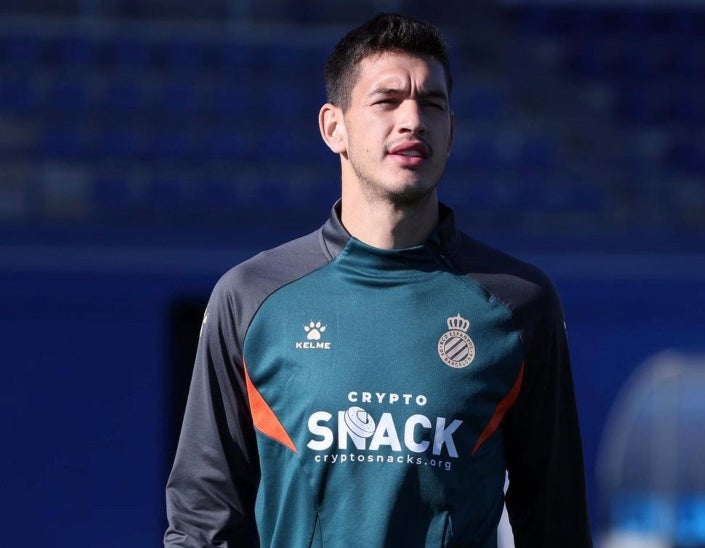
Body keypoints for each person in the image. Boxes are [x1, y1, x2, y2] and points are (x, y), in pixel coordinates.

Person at [165, 12, 592, 547]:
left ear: (452, 130)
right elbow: (202, 521)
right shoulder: (251, 297)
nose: (413, 120)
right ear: (333, 127)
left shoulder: (519, 304)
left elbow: (555, 524)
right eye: (387, 101)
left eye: (431, 104)